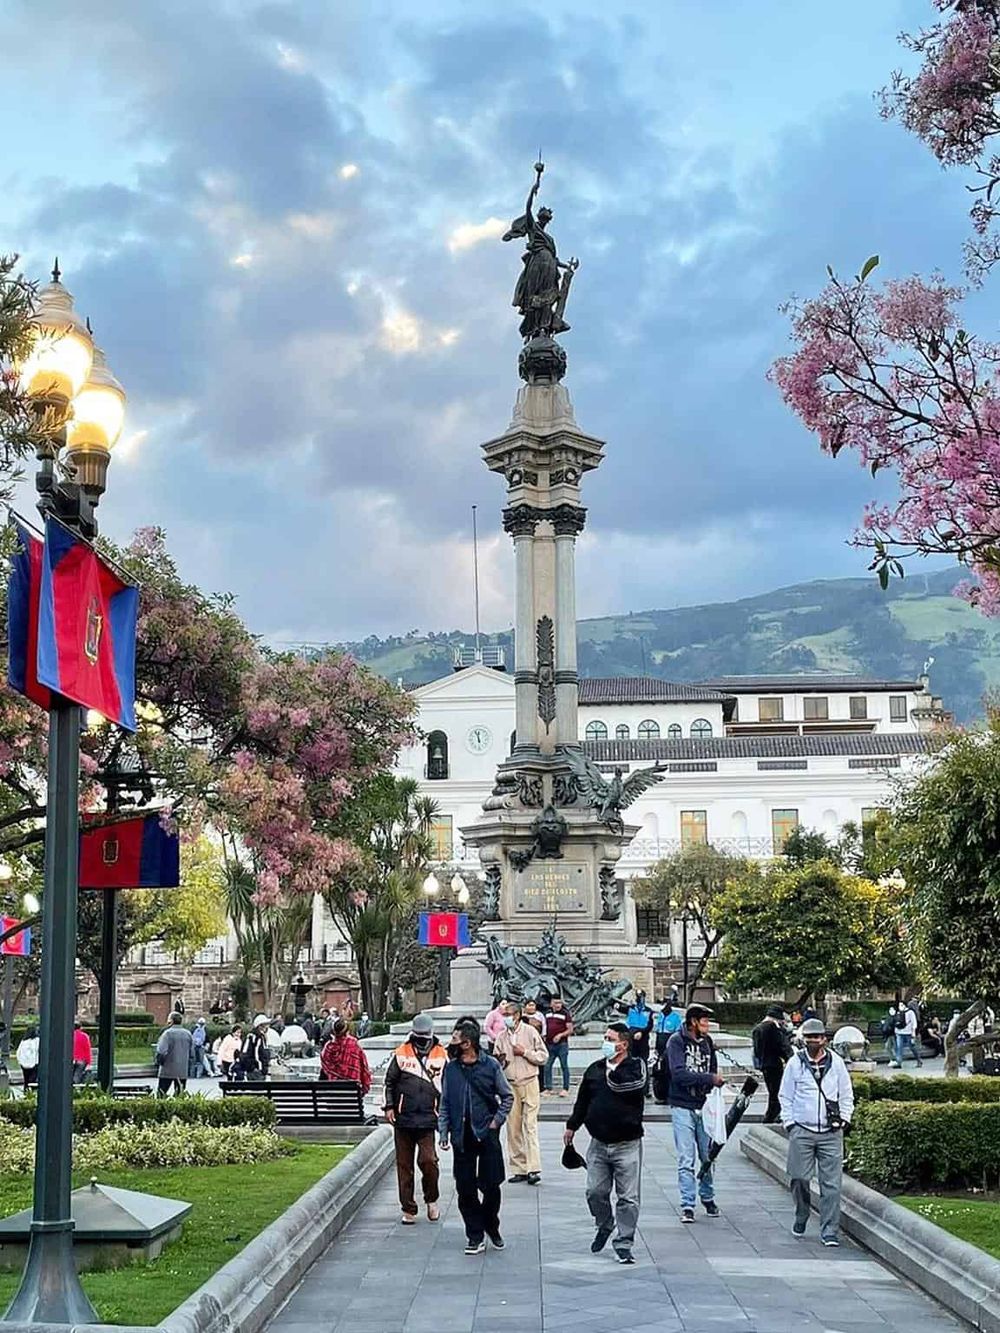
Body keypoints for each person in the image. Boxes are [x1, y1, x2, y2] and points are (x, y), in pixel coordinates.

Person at [564, 1021, 646, 1265]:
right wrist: (572, 1125)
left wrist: (613, 1071)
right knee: (595, 1191)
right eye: (606, 1038)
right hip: (598, 1143)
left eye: (610, 1039)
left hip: (627, 1144)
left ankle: (624, 1243)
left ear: (623, 1044)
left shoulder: (635, 1068)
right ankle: (605, 1223)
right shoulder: (594, 1069)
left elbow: (633, 1088)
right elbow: (583, 1101)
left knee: (628, 1198)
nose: (606, 1043)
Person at [439, 1018, 513, 1255]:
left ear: (467, 1043)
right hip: (462, 1136)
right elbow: (446, 1102)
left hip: (486, 1133)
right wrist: (443, 1131)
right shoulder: (451, 1068)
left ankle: (491, 1224)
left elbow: (507, 1096)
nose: (451, 1042)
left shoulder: (490, 1065)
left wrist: (496, 1121)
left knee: (492, 1185)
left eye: (455, 1039)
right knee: (465, 1187)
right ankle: (474, 1234)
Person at [779, 1017, 854, 1247]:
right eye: (809, 1037)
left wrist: (844, 1118)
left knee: (831, 1185)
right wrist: (790, 1123)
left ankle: (829, 1229)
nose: (813, 1041)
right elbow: (786, 1095)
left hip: (830, 1132)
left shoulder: (837, 1063)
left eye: (817, 1037)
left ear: (824, 1039)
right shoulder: (795, 1063)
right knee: (799, 1177)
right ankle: (802, 1213)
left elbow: (846, 1093)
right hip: (802, 1128)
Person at [384, 1013, 447, 1224]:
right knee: (404, 1165)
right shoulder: (401, 1053)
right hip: (403, 1117)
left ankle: (432, 1199)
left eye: (425, 1036)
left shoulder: (441, 1053)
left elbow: (447, 1085)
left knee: (428, 1161)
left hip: (429, 1117)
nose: (421, 1039)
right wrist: (390, 1106)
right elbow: (390, 1082)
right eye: (418, 1035)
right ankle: (408, 1208)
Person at [667, 1003, 726, 1222]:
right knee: (686, 1157)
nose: (707, 1025)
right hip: (682, 1105)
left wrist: (712, 1083)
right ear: (693, 1022)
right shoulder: (676, 1042)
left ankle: (708, 1197)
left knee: (707, 1155)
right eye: (704, 1020)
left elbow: (712, 1068)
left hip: (704, 1105)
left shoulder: (707, 1043)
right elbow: (679, 1074)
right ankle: (688, 1204)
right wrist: (709, 1080)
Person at [494, 1001, 547, 1185]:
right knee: (513, 1127)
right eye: (504, 1014)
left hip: (530, 1081)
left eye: (508, 1014)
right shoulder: (501, 1036)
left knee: (530, 1126)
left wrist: (525, 1052)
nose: (506, 1017)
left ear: (516, 1015)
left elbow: (543, 1056)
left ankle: (533, 1168)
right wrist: (501, 1064)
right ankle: (519, 1168)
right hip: (510, 1086)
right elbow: (496, 1060)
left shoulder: (530, 1032)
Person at [752, 1005, 792, 1124]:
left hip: (764, 1064)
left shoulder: (757, 1028)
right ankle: (770, 1118)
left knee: (772, 1092)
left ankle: (771, 1117)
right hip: (774, 1064)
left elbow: (757, 1051)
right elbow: (782, 1046)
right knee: (777, 1094)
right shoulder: (773, 1028)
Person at [320, 1017, 372, 1093]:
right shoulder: (353, 1045)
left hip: (332, 1093)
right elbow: (363, 1066)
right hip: (353, 1093)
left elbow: (324, 1067)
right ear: (347, 1031)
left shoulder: (328, 1047)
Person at [543, 995, 574, 1098]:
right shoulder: (547, 1013)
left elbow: (570, 1029)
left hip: (562, 1045)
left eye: (559, 1003)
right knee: (547, 1066)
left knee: (564, 1066)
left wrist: (560, 1035)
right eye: (556, 1003)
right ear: (551, 1003)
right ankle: (548, 1088)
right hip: (549, 1044)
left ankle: (565, 1088)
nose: (558, 1005)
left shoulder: (565, 1013)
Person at [155, 1012, 193, 1097]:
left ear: (171, 1021)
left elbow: (161, 1051)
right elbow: (192, 1053)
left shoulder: (167, 1033)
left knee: (161, 1094)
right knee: (179, 1095)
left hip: (167, 1070)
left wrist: (159, 1062)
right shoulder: (188, 1034)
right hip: (182, 1070)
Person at [239, 1014, 272, 1082]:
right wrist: (253, 1068)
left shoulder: (262, 1037)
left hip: (261, 1071)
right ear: (260, 1026)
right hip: (256, 1071)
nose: (267, 1027)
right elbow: (244, 1055)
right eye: (265, 1025)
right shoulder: (252, 1037)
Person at [894, 1003, 923, 1068]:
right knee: (899, 1048)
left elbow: (914, 1022)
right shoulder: (898, 1012)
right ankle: (899, 1062)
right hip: (899, 1033)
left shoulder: (910, 1012)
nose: (899, 1007)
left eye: (901, 1005)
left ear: (905, 1005)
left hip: (908, 1033)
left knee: (912, 1047)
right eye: (899, 1005)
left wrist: (913, 1032)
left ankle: (919, 1060)